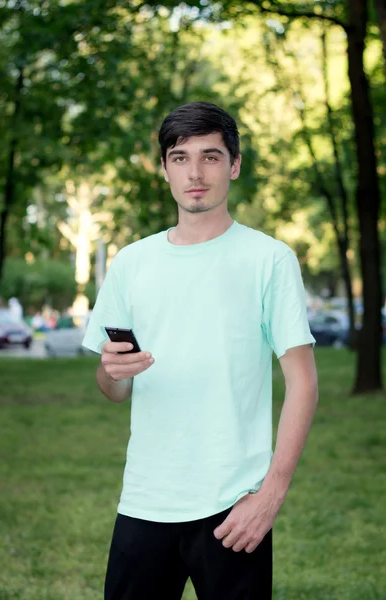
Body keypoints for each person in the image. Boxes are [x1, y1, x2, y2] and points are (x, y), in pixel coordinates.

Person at [82, 101, 318, 600]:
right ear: (164, 169)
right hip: (145, 499)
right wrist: (114, 370)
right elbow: (112, 389)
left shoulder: (269, 259)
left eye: (211, 157)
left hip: (234, 504)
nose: (195, 172)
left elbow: (303, 381)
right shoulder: (131, 263)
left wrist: (270, 495)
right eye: (180, 156)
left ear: (234, 165)